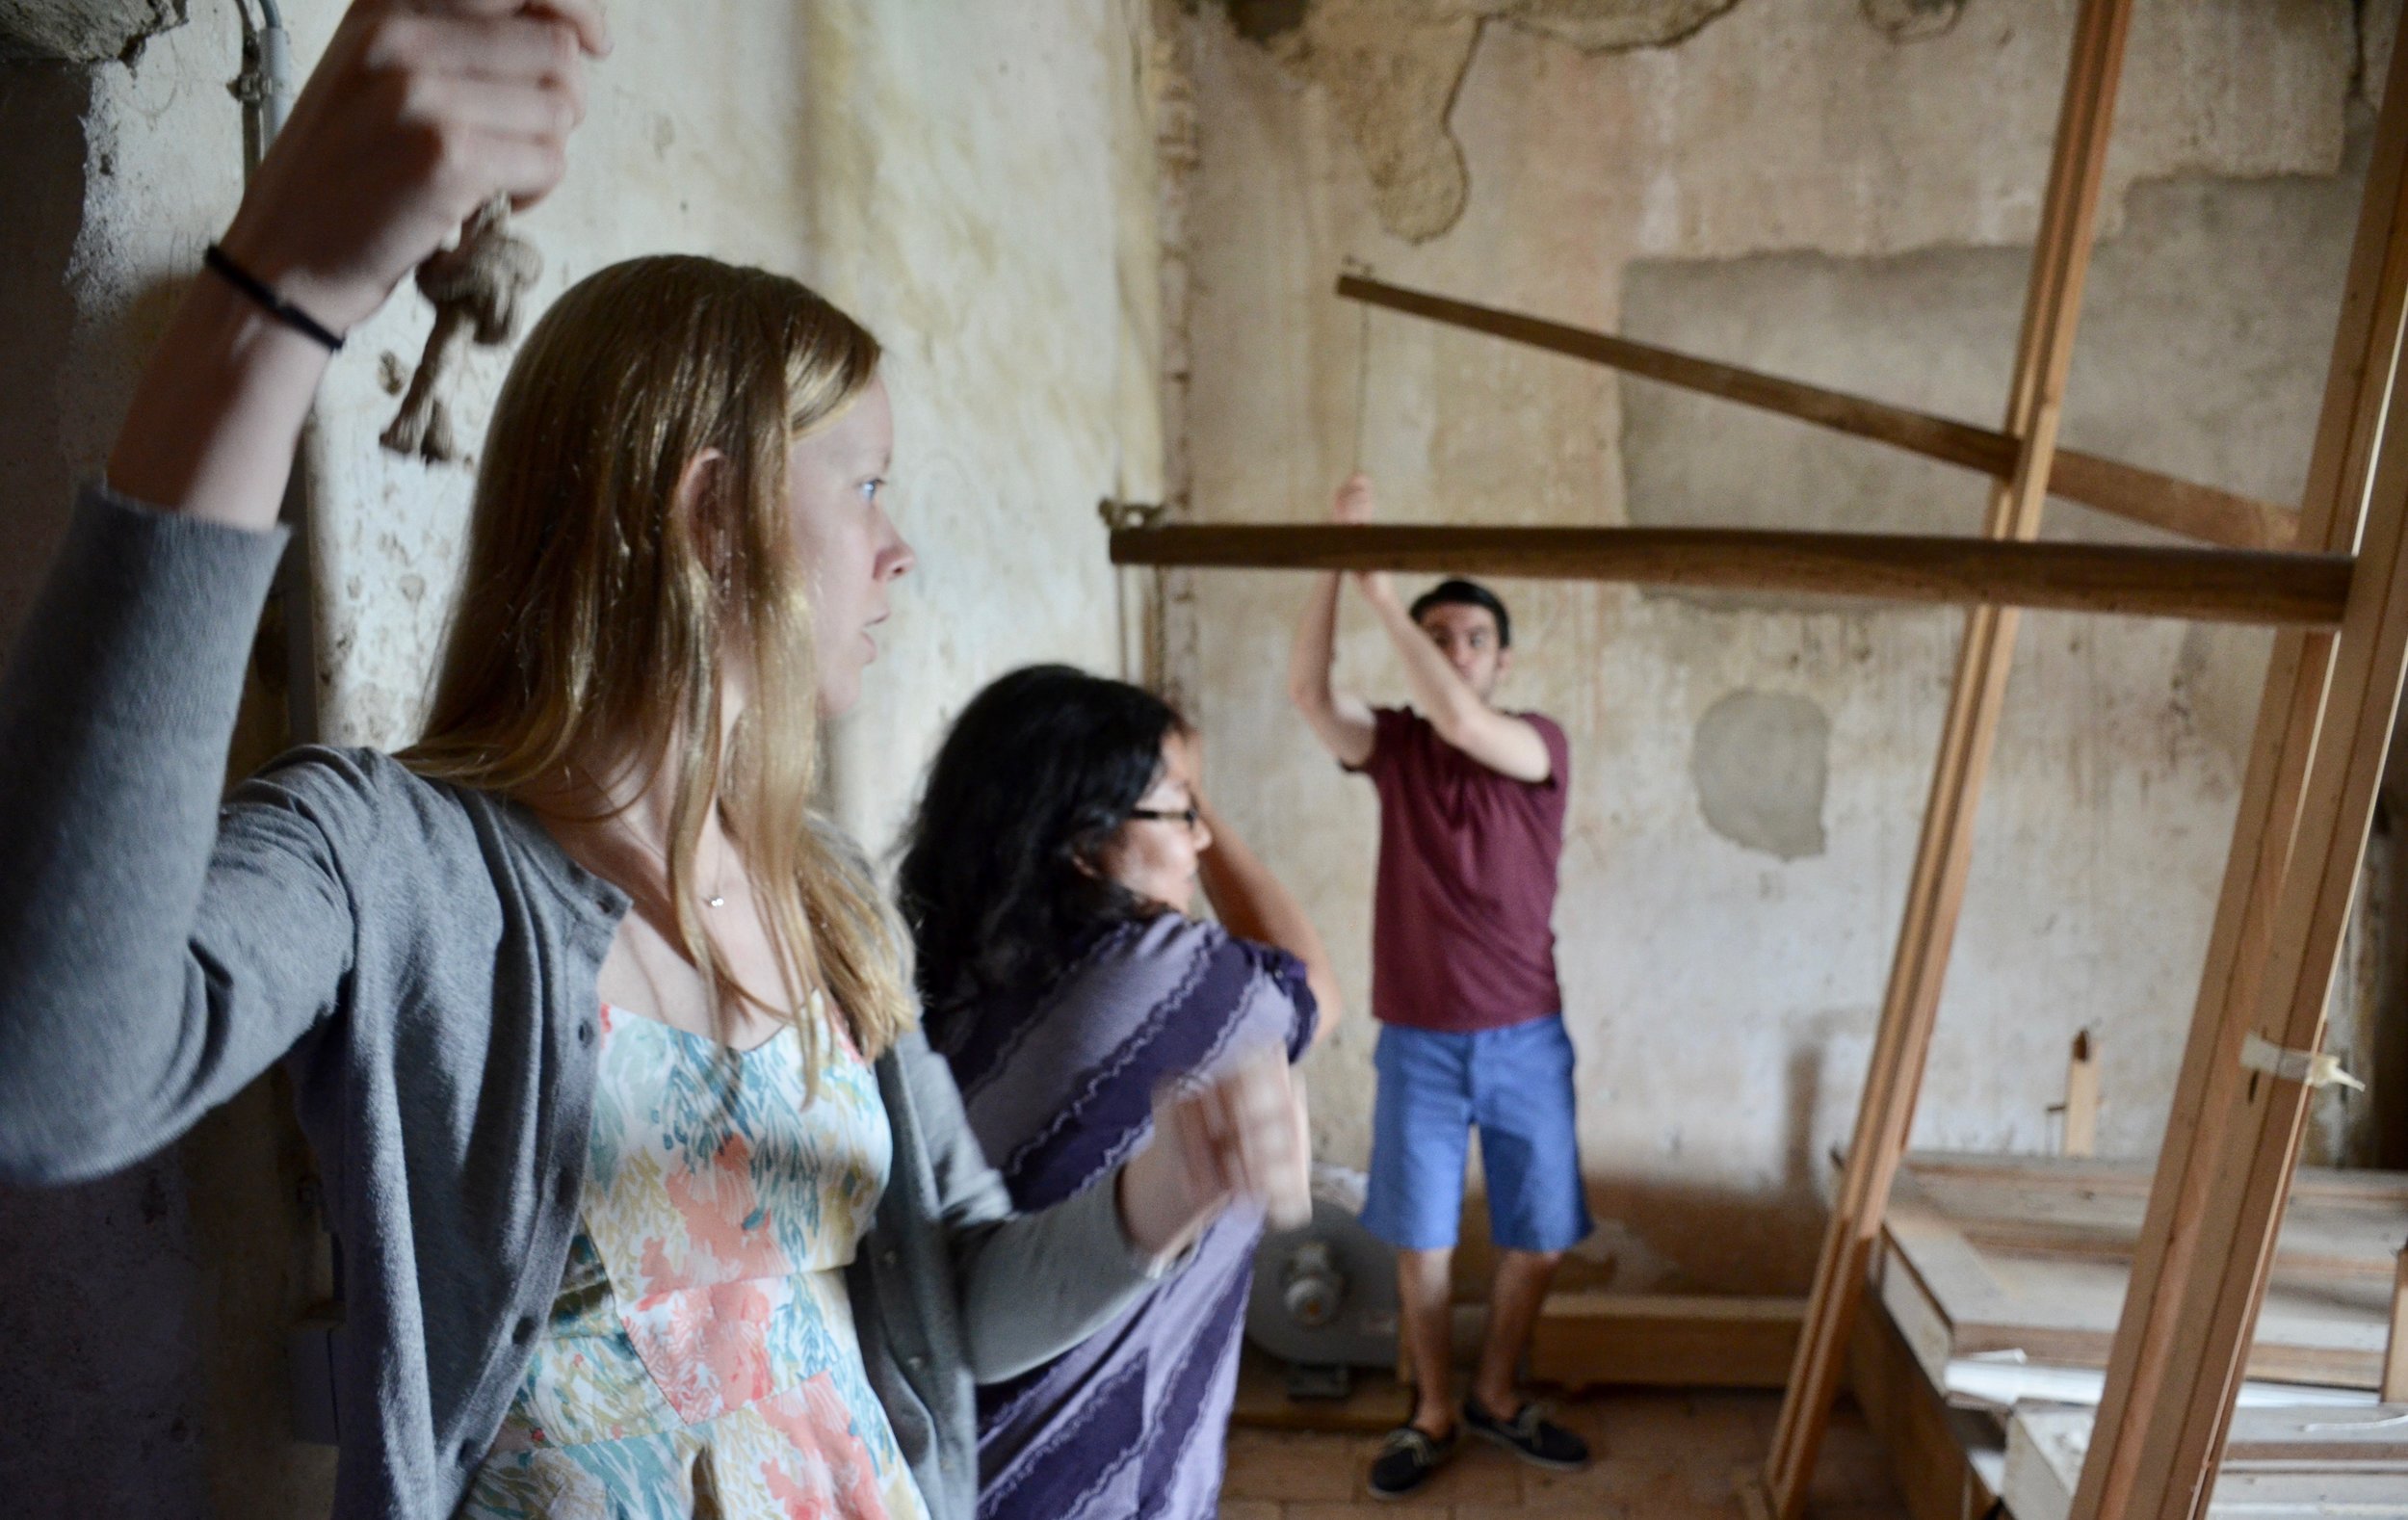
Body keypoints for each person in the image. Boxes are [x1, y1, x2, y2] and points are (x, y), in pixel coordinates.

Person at [0, 5, 1305, 1518]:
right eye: (864, 485)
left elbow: (949, 1302)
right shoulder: (395, 854)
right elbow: (51, 1074)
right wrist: (274, 296)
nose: (899, 551)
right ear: (712, 513)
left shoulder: (830, 907)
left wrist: (1158, 1195)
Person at [895, 666, 1338, 1520]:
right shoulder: (1178, 982)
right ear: (1086, 840)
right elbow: (1318, 987)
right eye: (1180, 810)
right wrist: (1206, 798)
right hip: (1099, 1487)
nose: (1200, 838)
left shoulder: (944, 977)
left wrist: (1173, 794)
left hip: (951, 1473)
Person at [1286, 472, 1592, 1498]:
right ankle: (1433, 1410)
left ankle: (1499, 1396)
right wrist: (1346, 563)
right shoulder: (1396, 746)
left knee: (1538, 1238)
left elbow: (1465, 723)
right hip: (1418, 1039)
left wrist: (1387, 593)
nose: (1457, 652)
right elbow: (1308, 695)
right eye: (1439, 635)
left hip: (1525, 1037)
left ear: (1500, 659)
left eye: (1471, 638)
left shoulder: (1534, 744)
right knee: (1421, 1239)